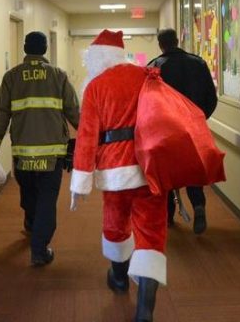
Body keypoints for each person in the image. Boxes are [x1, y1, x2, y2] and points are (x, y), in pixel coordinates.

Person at [70, 29, 165, 322]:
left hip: (114, 171)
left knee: (116, 223)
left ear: (99, 58)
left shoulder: (96, 87)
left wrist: (80, 181)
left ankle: (120, 278)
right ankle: (145, 310)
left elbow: (87, 138)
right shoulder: (147, 77)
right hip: (149, 167)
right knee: (151, 233)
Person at [0, 31, 80, 266]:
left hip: (22, 153)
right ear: (45, 49)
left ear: (26, 48)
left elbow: (2, 114)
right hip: (52, 154)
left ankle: (31, 224)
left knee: (28, 194)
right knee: (47, 199)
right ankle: (39, 249)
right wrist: (92, 137)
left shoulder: (12, 77)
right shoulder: (58, 76)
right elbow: (74, 112)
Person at [147, 28, 218, 234]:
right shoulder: (199, 63)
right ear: (177, 41)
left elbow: (149, 104)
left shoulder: (154, 67)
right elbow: (211, 98)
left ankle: (168, 216)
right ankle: (198, 206)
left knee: (167, 173)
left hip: (166, 131)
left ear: (161, 44)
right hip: (193, 128)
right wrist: (199, 118)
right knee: (193, 169)